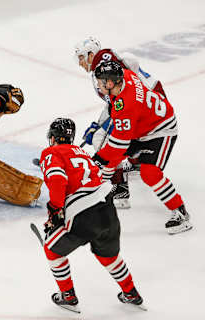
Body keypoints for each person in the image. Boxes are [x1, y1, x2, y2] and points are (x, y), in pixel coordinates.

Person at [38, 118, 144, 313]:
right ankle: (131, 293)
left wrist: (55, 210)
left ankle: (68, 297)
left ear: (52, 138)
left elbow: (58, 179)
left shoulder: (50, 152)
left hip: (83, 212)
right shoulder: (84, 154)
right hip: (107, 207)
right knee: (109, 256)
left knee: (51, 250)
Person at [92, 61, 192, 234]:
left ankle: (181, 213)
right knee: (109, 163)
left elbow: (119, 145)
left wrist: (98, 158)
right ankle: (101, 199)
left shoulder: (127, 105)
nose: (98, 85)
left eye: (100, 82)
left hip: (161, 130)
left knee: (149, 173)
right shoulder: (125, 76)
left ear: (110, 83)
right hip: (140, 125)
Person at [74, 36, 167, 210]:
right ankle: (137, 159)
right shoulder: (102, 66)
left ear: (91, 53)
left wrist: (101, 127)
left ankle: (120, 187)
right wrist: (99, 123)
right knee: (115, 136)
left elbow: (122, 98)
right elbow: (115, 103)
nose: (79, 63)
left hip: (145, 106)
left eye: (81, 57)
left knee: (103, 140)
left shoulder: (103, 59)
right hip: (149, 103)